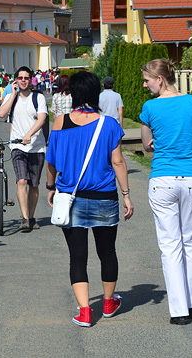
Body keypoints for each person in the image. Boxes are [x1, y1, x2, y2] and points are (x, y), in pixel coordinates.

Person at [45, 71, 133, 328]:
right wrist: (126, 195)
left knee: (77, 257)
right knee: (107, 252)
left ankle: (85, 311)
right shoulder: (109, 124)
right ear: (96, 93)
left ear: (73, 93)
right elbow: (117, 162)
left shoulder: (60, 122)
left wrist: (51, 187)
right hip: (104, 196)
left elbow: (51, 162)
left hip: (70, 197)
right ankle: (108, 303)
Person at [140, 59, 192, 326]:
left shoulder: (150, 108)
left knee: (170, 245)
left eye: (147, 80)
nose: (145, 85)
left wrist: (161, 141)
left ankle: (179, 309)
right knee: (190, 241)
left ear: (160, 79)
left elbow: (147, 145)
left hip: (163, 179)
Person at [0, 66, 48, 232]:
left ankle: (32, 216)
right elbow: (1, 114)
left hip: (36, 146)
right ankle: (24, 218)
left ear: (31, 79)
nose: (23, 80)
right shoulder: (12, 98)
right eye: (20, 78)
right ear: (16, 80)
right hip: (18, 145)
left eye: (27, 78)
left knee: (34, 184)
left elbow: (41, 119)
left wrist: (30, 134)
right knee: (22, 181)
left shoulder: (38, 97)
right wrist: (12, 94)